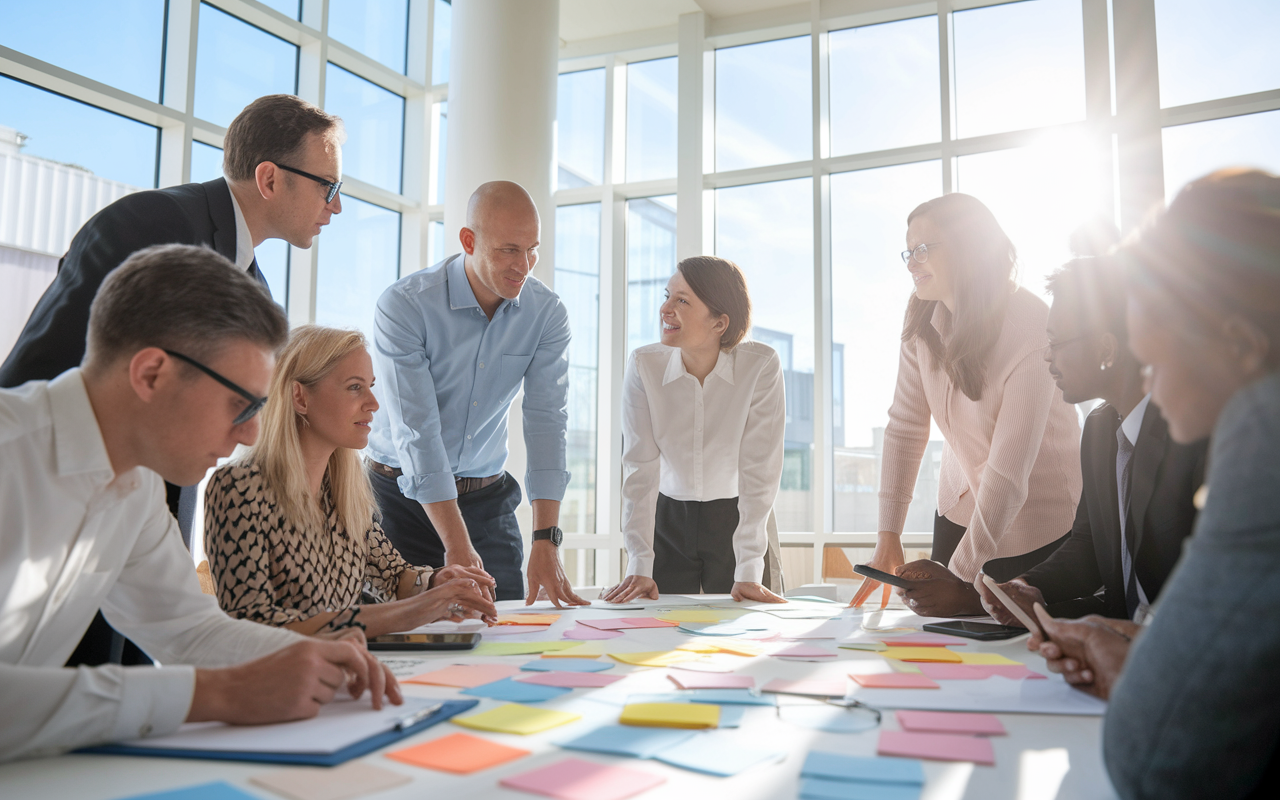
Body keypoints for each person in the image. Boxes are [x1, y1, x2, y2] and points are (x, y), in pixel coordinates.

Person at [0, 245, 397, 763]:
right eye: (240, 404)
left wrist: (306, 654)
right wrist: (214, 695)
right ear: (151, 374)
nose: (253, 431)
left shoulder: (137, 490)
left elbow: (188, 630)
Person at [0, 94, 345, 667]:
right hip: (54, 496)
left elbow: (189, 632)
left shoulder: (254, 291)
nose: (336, 208)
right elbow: (60, 363)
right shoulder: (153, 222)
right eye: (329, 187)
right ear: (269, 178)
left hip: (140, 515)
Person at [1026, 169, 1280, 798]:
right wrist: (1145, 654)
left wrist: (1146, 675)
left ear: (1243, 346)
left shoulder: (1264, 434)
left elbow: (1157, 761)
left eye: (1159, 362)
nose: (1153, 386)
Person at [851, 193, 1082, 613]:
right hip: (960, 506)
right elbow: (905, 426)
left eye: (922, 249)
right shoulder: (922, 315)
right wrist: (889, 538)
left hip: (1038, 520)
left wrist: (959, 578)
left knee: (1010, 648)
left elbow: (1008, 473)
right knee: (942, 637)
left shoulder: (1030, 324)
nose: (911, 262)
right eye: (908, 250)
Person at [366, 181, 585, 606]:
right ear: (469, 240)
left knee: (503, 632)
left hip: (486, 502)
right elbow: (419, 432)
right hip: (396, 500)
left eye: (532, 249)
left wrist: (546, 539)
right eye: (508, 250)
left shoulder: (547, 313)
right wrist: (456, 543)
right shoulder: (405, 305)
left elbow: (547, 421)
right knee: (398, 638)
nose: (524, 265)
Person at [204, 326, 497, 636]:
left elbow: (395, 579)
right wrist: (415, 610)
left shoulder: (345, 489)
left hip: (348, 670)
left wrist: (440, 581)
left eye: (370, 386)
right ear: (300, 397)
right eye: (355, 387)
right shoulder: (237, 488)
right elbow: (253, 625)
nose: (373, 403)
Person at [973, 257, 1205, 622]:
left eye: (1056, 342)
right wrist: (1030, 588)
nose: (1048, 356)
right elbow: (1089, 547)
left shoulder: (1196, 432)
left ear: (1106, 350)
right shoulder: (1100, 431)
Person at [602, 256, 787, 604]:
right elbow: (639, 468)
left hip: (739, 514)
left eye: (682, 300)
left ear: (720, 323)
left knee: (750, 629)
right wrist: (639, 562)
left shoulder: (760, 366)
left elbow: (759, 471)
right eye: (667, 295)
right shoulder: (644, 366)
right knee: (656, 629)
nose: (665, 309)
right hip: (667, 515)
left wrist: (749, 567)